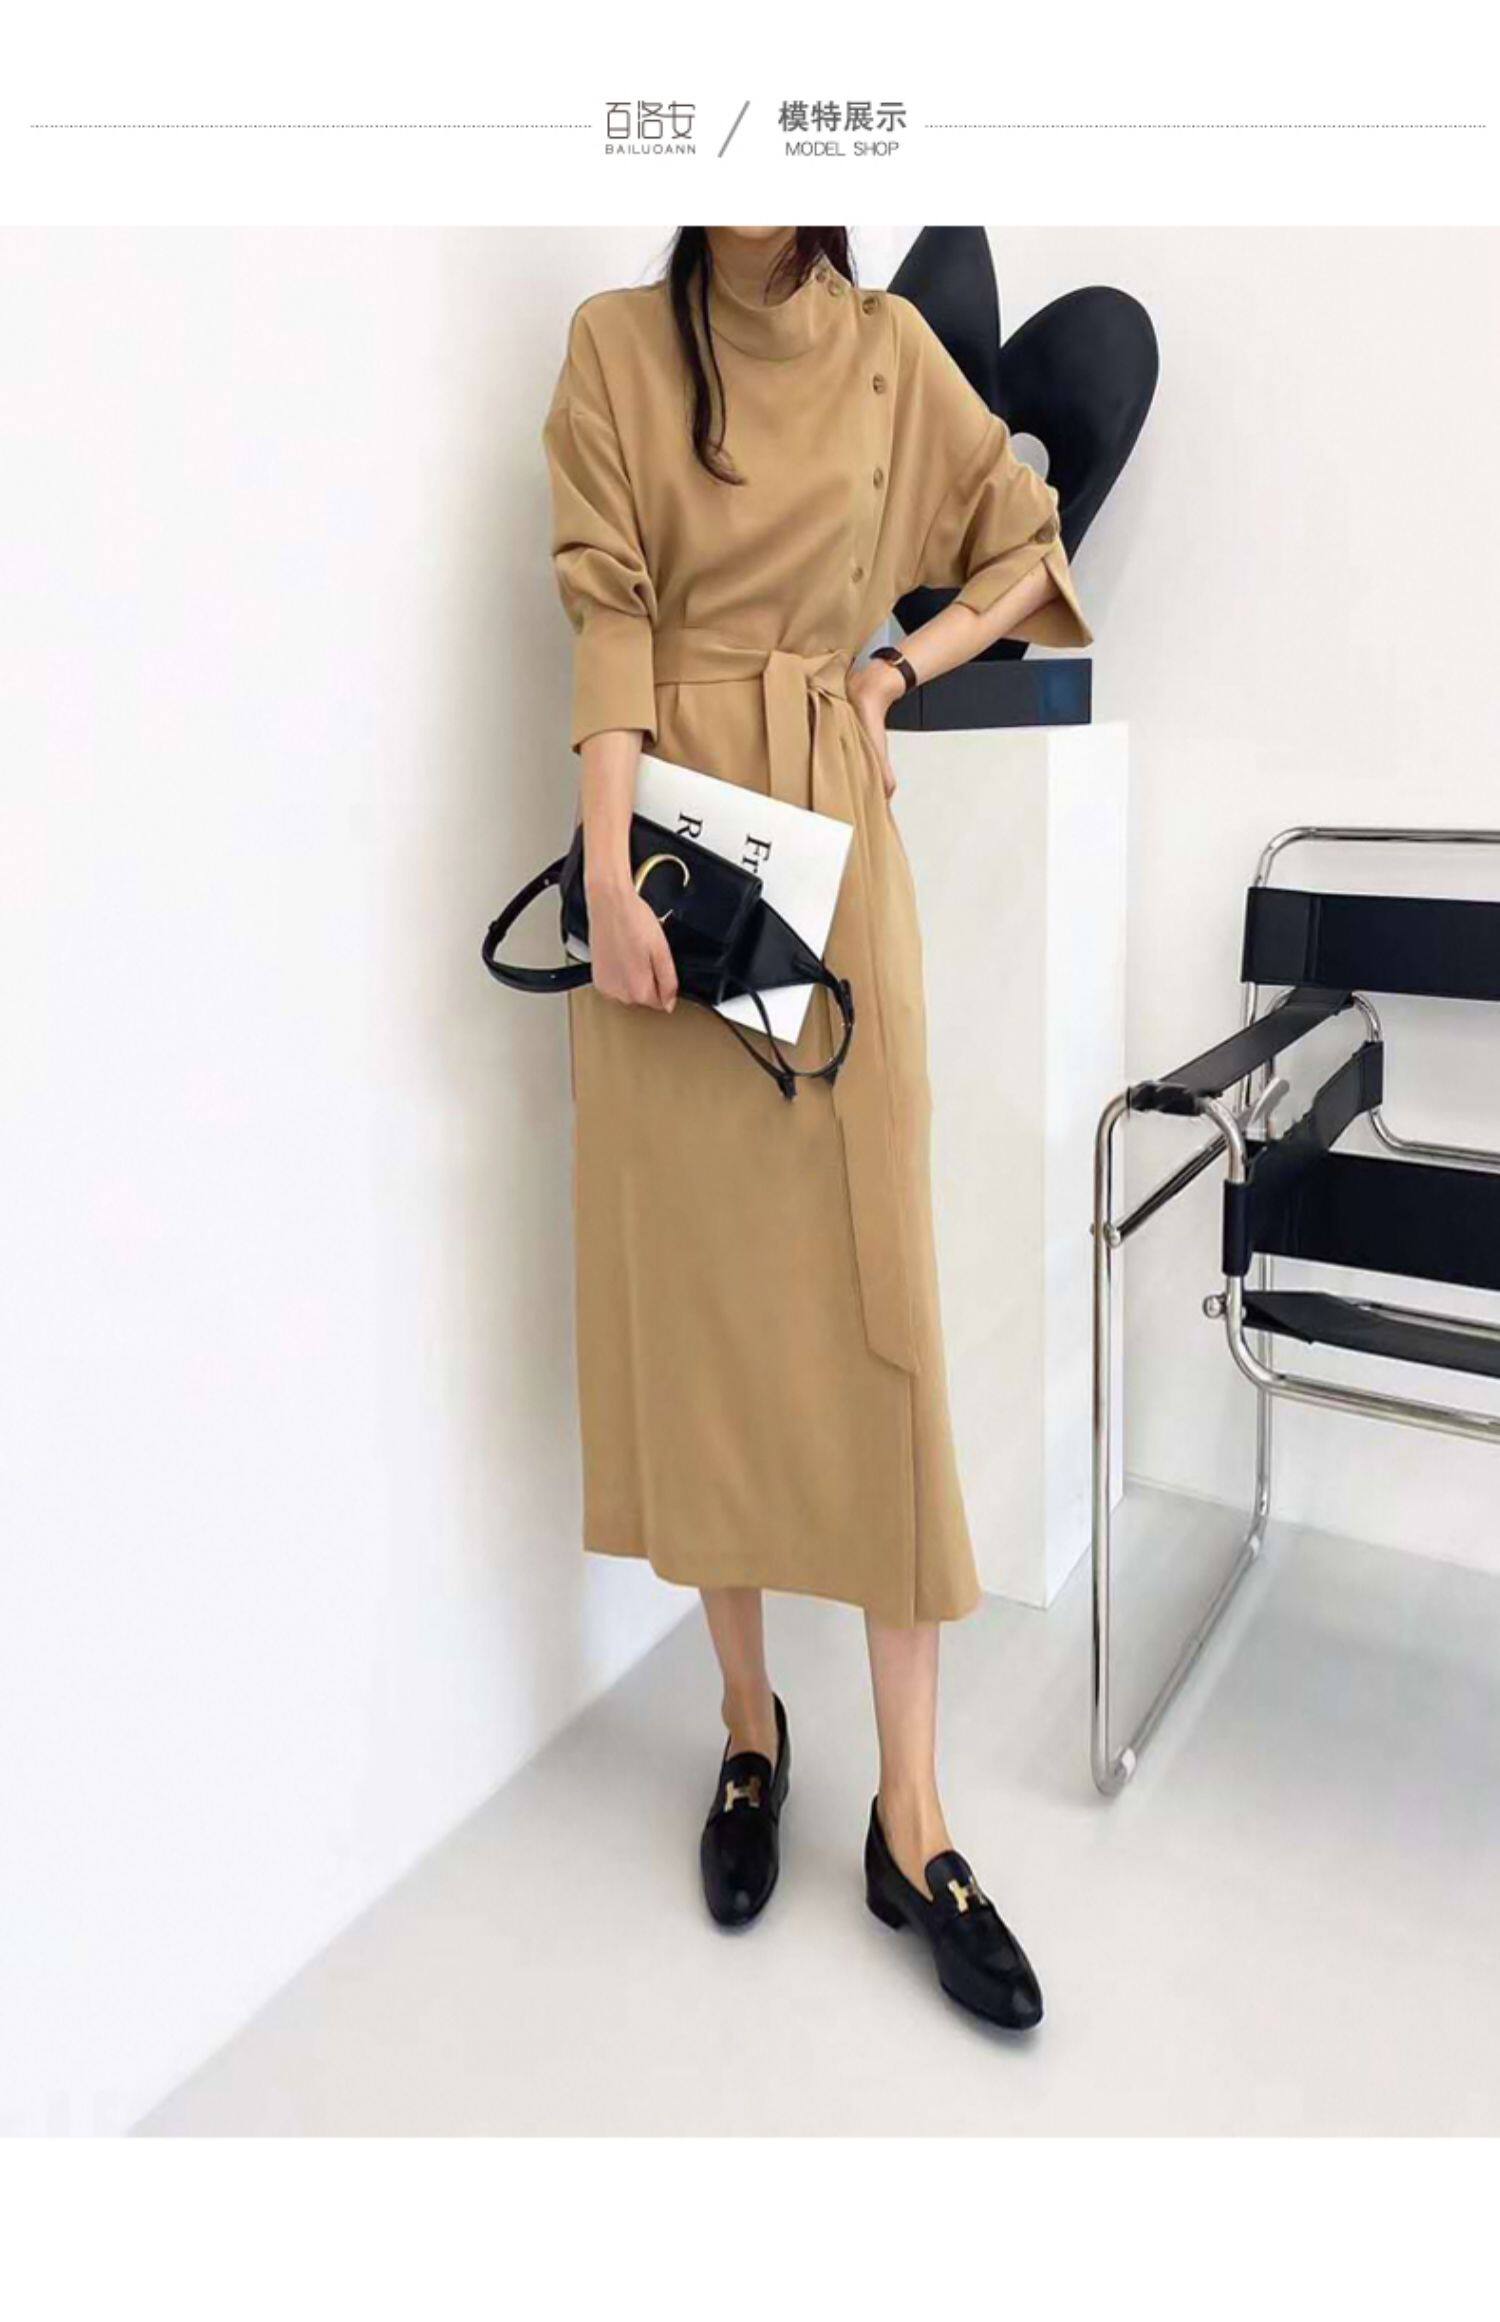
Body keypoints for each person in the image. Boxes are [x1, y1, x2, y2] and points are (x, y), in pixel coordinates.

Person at [541, 227, 1091, 2029]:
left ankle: (912, 1813)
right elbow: (610, 612)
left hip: (833, 852)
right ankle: (748, 1725)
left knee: (879, 1319)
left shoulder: (888, 352)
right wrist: (608, 873)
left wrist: (888, 674)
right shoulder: (617, 345)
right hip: (671, 868)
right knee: (708, 1310)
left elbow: (1025, 544)